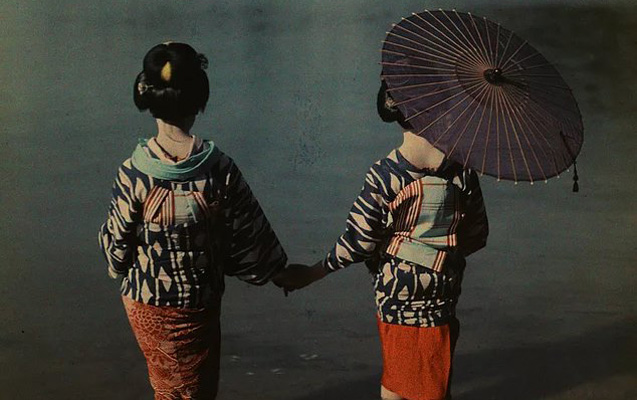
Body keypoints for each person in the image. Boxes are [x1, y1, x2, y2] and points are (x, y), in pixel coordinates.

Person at [98, 42, 288, 400]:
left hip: (146, 303)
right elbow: (249, 239)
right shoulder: (219, 170)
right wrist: (278, 273)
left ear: (146, 98)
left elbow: (117, 255)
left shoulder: (133, 173)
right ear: (201, 100)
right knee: (197, 388)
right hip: (199, 302)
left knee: (170, 387)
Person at [278, 80, 489, 400]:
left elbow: (359, 242)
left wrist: (312, 272)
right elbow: (476, 235)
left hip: (397, 292)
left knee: (395, 383)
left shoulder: (386, 174)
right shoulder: (462, 171)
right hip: (443, 291)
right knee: (435, 376)